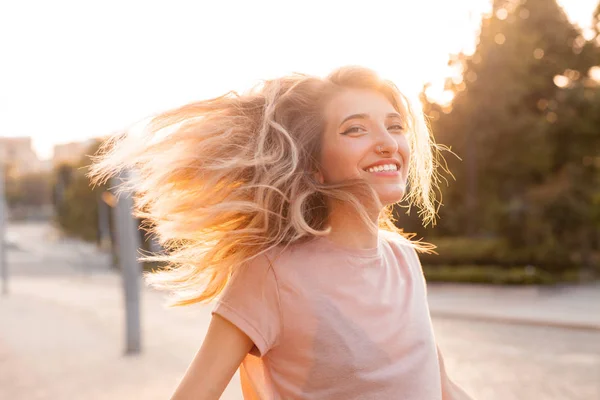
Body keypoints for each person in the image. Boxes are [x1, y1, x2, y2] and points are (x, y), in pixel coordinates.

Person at [89, 66, 472, 399]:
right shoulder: (271, 274)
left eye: (394, 127)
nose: (388, 143)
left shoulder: (404, 259)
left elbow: (439, 386)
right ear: (315, 165)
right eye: (355, 129)